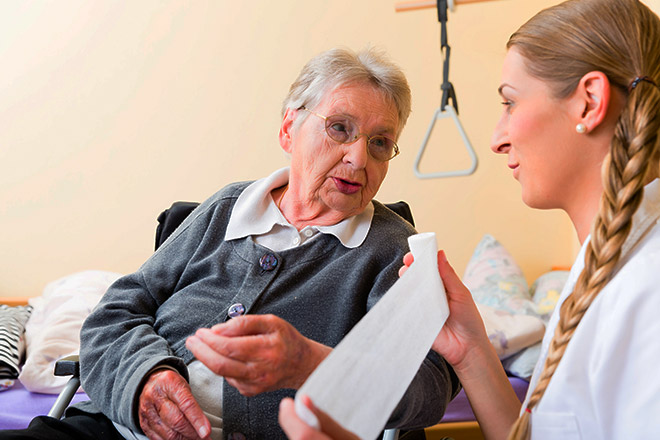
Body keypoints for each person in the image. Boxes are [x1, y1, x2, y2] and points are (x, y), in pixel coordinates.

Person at [0, 48, 459, 440]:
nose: (359, 157)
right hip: (121, 429)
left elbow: (429, 385)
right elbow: (116, 312)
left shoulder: (391, 248)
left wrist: (312, 364)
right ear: (288, 130)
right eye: (340, 127)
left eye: (381, 142)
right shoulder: (226, 208)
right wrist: (144, 379)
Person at [278, 0, 660, 438]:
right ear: (288, 130)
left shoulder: (647, 290)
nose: (497, 139)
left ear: (589, 103)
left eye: (510, 103)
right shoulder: (603, 271)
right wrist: (471, 351)